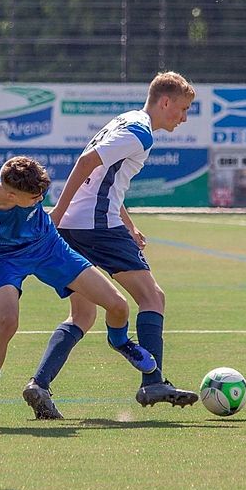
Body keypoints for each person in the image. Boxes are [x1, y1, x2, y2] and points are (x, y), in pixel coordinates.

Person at [22, 71, 200, 420]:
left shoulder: (125, 122)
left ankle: (39, 385)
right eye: (182, 108)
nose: (183, 117)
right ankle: (153, 380)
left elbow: (102, 179)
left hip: (79, 226)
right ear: (165, 102)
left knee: (82, 314)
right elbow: (87, 164)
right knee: (153, 298)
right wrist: (55, 211)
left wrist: (129, 225)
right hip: (97, 227)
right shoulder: (140, 132)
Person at [0, 155, 157, 428]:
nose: (40, 201)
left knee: (118, 305)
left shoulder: (31, 191)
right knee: (6, 321)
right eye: (35, 199)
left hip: (48, 247)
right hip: (4, 259)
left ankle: (120, 342)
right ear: (11, 195)